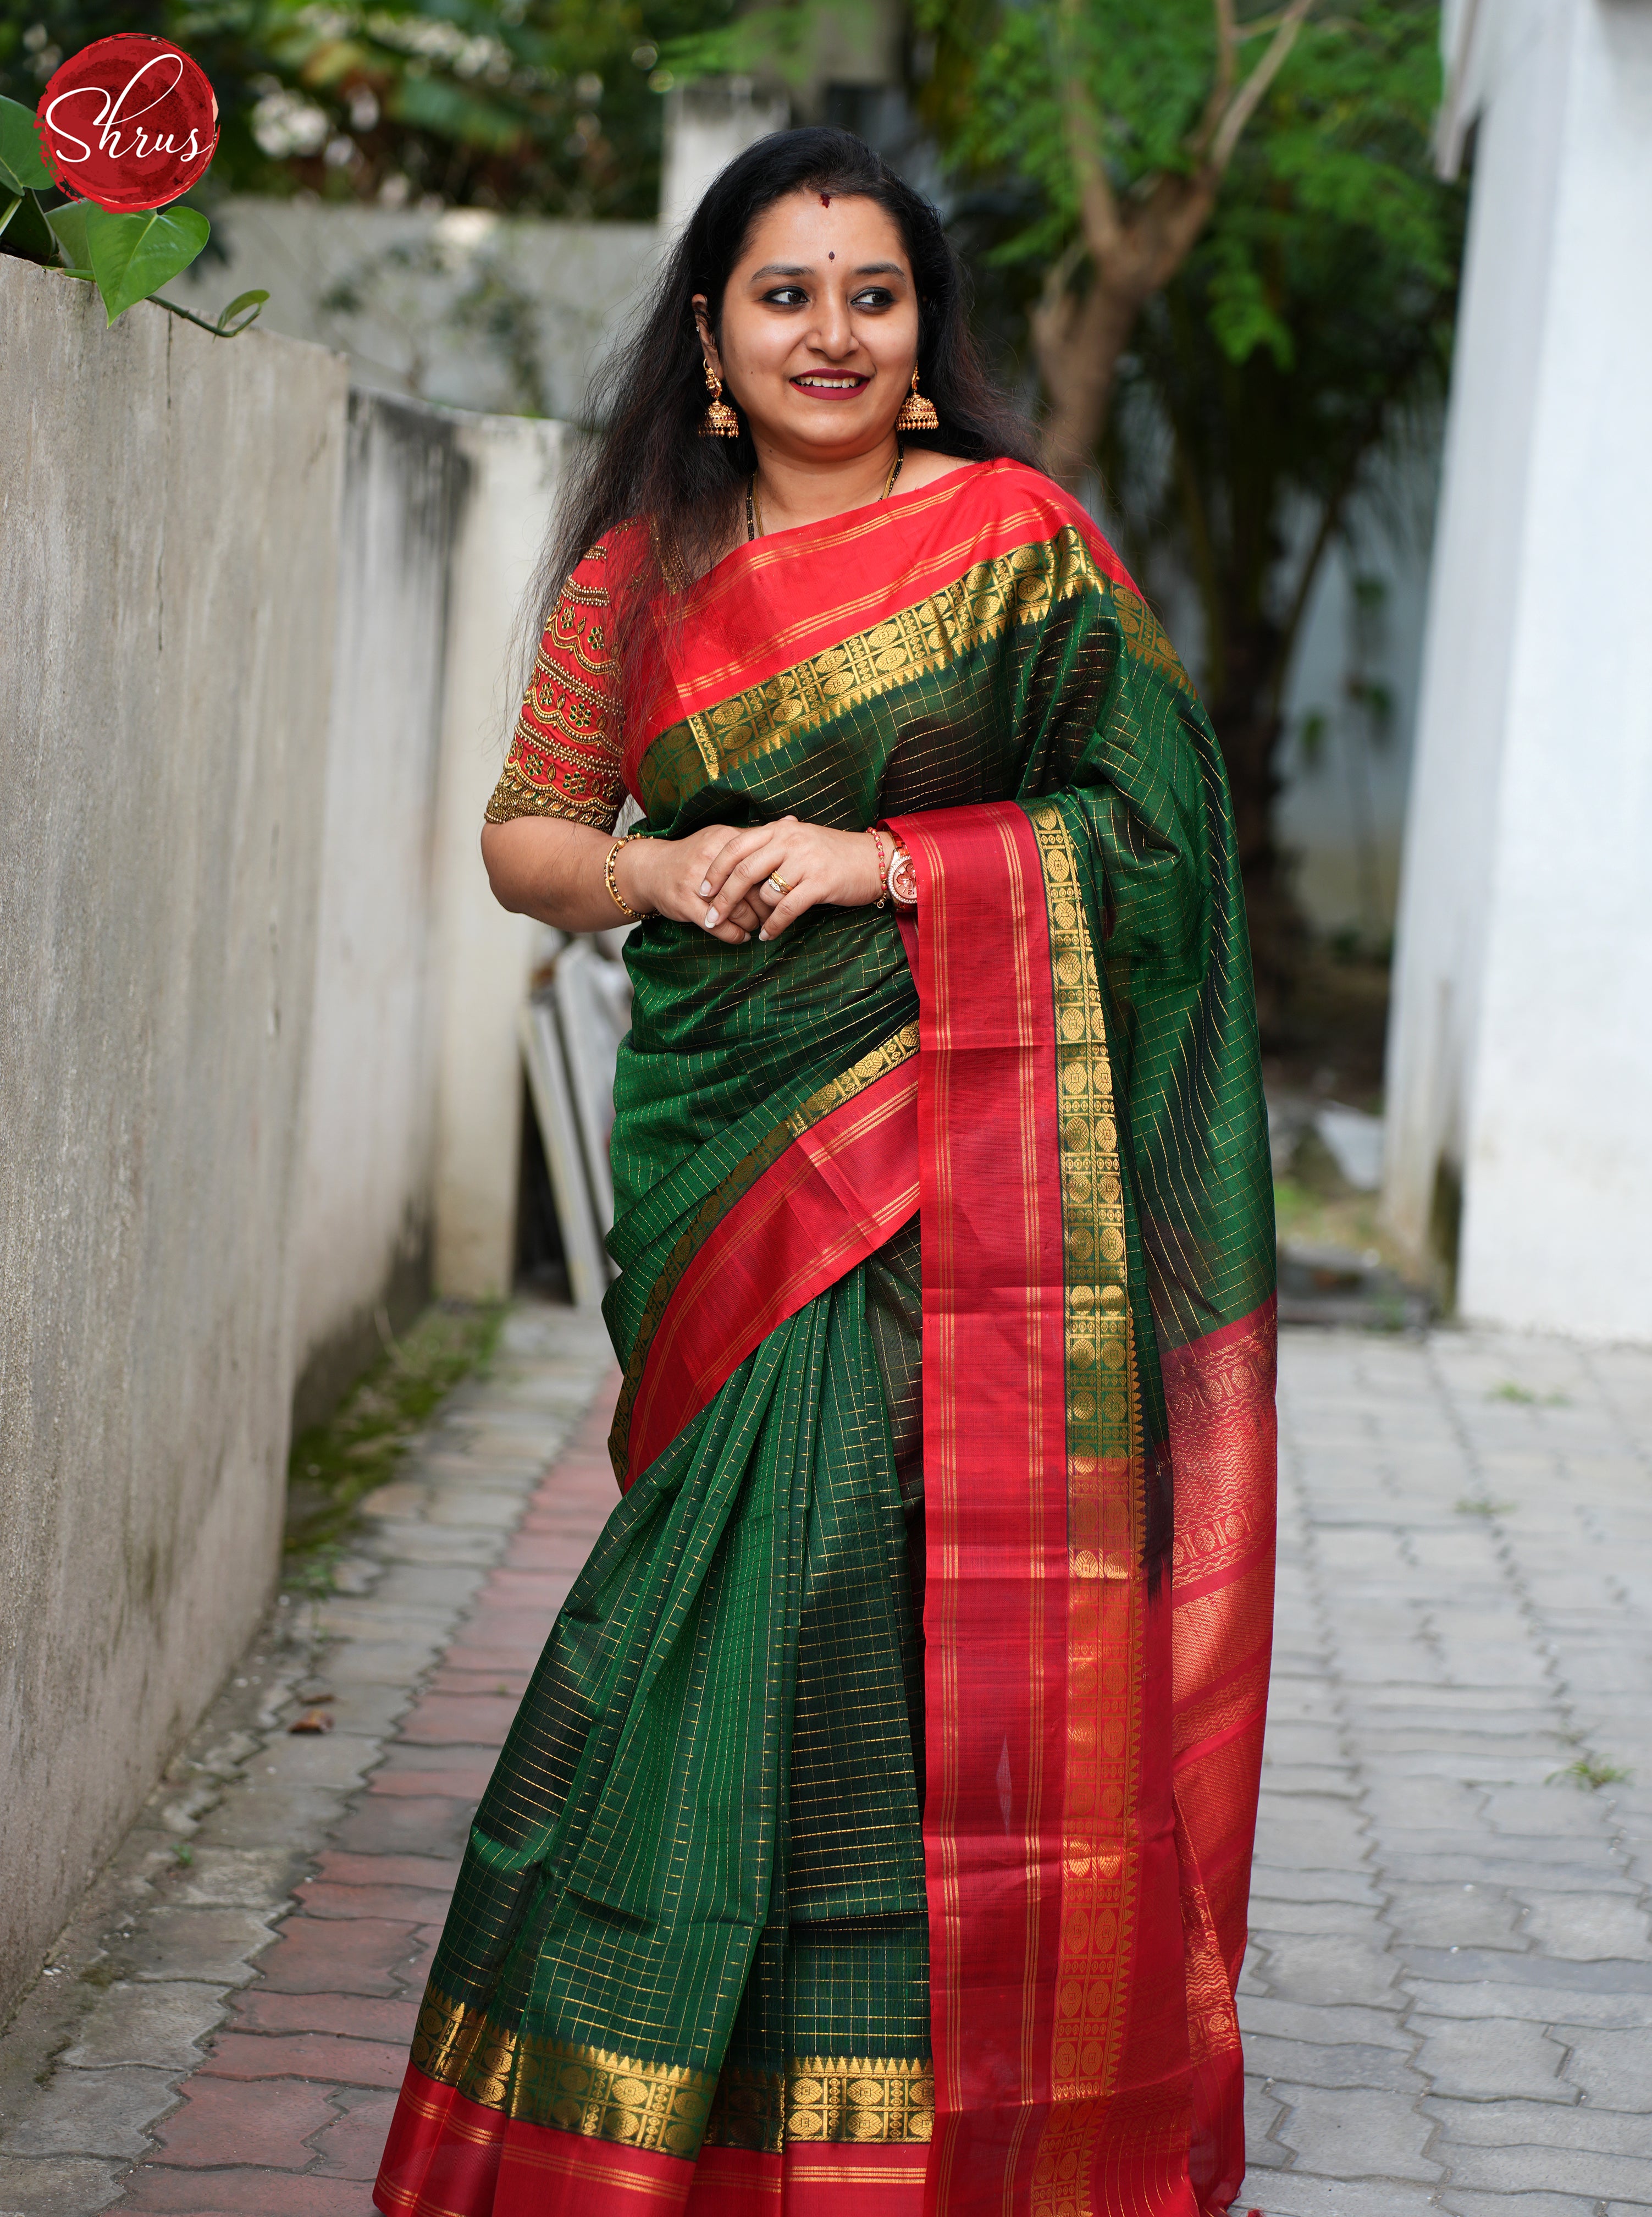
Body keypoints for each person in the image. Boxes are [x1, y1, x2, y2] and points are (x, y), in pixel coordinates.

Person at [374, 126, 1277, 2217]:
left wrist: (894, 864)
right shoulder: (643, 569)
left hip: (963, 1193)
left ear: (924, 332)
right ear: (711, 332)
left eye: (873, 295)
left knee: (878, 1616)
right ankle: (628, 2114)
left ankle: (896, 2122)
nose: (832, 334)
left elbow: (1160, 847)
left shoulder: (1017, 544)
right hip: (728, 1172)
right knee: (693, 1610)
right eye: (786, 294)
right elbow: (525, 837)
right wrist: (661, 863)